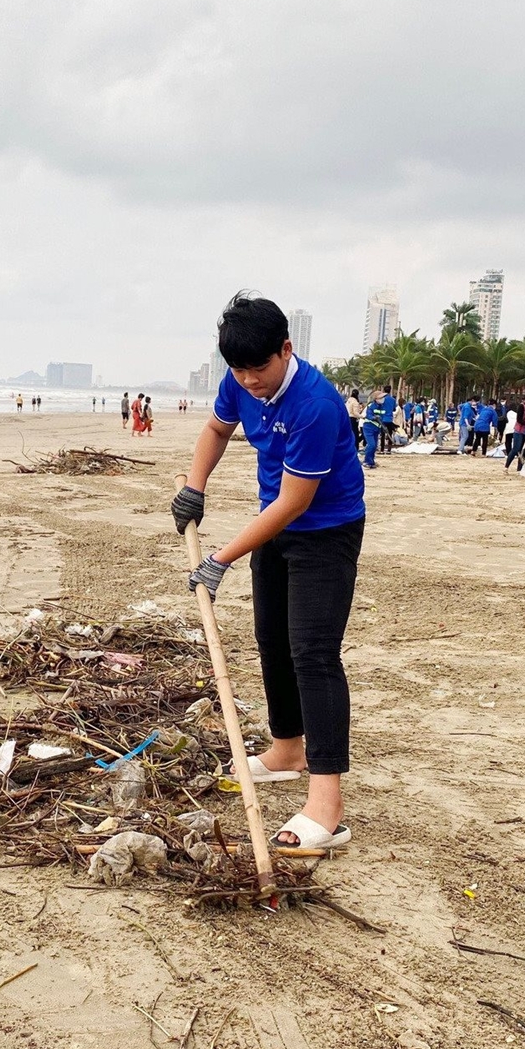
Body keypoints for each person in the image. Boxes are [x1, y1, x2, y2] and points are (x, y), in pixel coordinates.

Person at [171, 293, 364, 850]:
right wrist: (194, 486)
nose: (249, 381)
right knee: (272, 641)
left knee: (314, 654)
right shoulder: (240, 381)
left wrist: (220, 558)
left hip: (325, 532)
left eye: (259, 368)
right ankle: (287, 749)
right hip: (274, 525)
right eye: (239, 370)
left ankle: (326, 803)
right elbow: (216, 431)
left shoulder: (316, 404)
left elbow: (296, 502)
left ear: (286, 349)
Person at [502, 404, 525, 470]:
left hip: (509, 429)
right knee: (518, 445)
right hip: (516, 429)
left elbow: (504, 420)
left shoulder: (507, 413)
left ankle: (508, 453)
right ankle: (518, 455)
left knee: (508, 442)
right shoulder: (517, 414)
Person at [377, 386, 397, 453]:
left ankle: (382, 450)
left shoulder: (382, 399)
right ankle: (389, 449)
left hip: (383, 419)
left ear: (384, 390)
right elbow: (394, 409)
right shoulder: (393, 400)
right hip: (390, 419)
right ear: (390, 391)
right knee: (390, 434)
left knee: (382, 435)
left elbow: (379, 407)